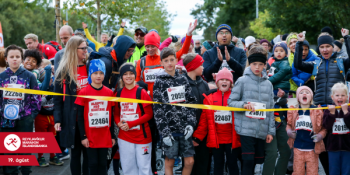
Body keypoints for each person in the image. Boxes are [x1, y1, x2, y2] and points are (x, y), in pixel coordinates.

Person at [228, 46, 275, 175]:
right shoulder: (242, 81)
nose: (257, 67)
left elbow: (271, 109)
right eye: (254, 64)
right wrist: (244, 105)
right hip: (245, 129)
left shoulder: (269, 84)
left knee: (256, 162)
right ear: (250, 64)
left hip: (261, 130)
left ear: (265, 66)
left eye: (260, 64)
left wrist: (270, 131)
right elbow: (230, 102)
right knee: (247, 161)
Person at [153, 47, 196, 175]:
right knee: (170, 161)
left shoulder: (183, 79)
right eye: (166, 61)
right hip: (169, 130)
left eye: (172, 60)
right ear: (162, 63)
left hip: (184, 128)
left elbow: (191, 103)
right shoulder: (159, 82)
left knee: (189, 162)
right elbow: (157, 109)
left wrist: (190, 124)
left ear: (177, 60)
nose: (170, 63)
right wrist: (164, 132)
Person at [0, 45, 41, 175]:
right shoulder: (1, 77)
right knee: (9, 153)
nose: (15, 59)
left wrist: (31, 116)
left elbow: (36, 98)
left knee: (25, 153)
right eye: (11, 57)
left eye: (18, 57)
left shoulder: (30, 76)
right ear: (6, 59)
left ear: (22, 59)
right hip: (6, 121)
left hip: (25, 119)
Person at [193, 67, 241, 175]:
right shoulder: (209, 98)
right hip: (216, 139)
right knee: (217, 165)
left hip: (232, 139)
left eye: (227, 79)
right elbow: (204, 121)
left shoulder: (236, 97)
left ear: (231, 82)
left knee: (232, 164)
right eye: (221, 79)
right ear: (217, 82)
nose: (224, 81)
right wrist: (197, 137)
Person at [53, 36, 89, 175]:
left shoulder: (89, 67)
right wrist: (57, 119)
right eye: (83, 48)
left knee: (88, 155)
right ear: (74, 50)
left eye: (86, 48)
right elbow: (57, 99)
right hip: (72, 118)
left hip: (88, 118)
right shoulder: (63, 72)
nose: (86, 51)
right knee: (75, 155)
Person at [75, 59, 116, 175]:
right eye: (95, 73)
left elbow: (111, 117)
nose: (98, 76)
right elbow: (80, 117)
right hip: (90, 135)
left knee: (103, 164)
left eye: (101, 73)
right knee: (92, 164)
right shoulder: (83, 92)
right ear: (90, 74)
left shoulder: (109, 93)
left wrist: (112, 136)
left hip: (104, 135)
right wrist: (83, 136)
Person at [114, 63, 154, 175]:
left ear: (135, 75)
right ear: (121, 76)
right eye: (125, 74)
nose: (128, 76)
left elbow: (149, 114)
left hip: (142, 137)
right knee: (128, 168)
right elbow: (116, 114)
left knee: (144, 168)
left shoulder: (142, 92)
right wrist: (119, 123)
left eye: (131, 73)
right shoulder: (118, 94)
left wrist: (131, 124)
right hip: (125, 137)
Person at [293, 29, 350, 106]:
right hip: (319, 106)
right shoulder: (316, 64)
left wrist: (346, 37)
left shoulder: (341, 62)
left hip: (337, 105)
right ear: (319, 48)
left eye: (328, 46)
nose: (325, 50)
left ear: (332, 47)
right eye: (322, 47)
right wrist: (299, 43)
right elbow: (298, 65)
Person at [180, 53, 210, 175]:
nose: (203, 67)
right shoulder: (181, 84)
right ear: (193, 66)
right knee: (188, 164)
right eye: (201, 64)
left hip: (203, 131)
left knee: (203, 163)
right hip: (187, 132)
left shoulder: (204, 84)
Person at [286, 86, 326, 175]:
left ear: (311, 97)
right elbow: (288, 125)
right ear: (297, 97)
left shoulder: (317, 111)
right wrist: (289, 132)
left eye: (307, 92)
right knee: (297, 172)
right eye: (301, 92)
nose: (304, 94)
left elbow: (324, 129)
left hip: (312, 149)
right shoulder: (293, 110)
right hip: (297, 148)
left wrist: (320, 136)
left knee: (312, 172)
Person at [323, 83, 350, 175]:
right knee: (333, 171)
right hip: (332, 148)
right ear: (332, 97)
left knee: (346, 171)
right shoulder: (328, 110)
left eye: (342, 95)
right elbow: (326, 126)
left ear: (347, 97)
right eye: (337, 95)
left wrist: (346, 112)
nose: (340, 97)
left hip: (347, 147)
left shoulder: (349, 109)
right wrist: (331, 114)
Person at [135, 31, 162, 98]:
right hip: (146, 98)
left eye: (153, 46)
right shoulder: (141, 62)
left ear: (157, 46)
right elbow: (136, 83)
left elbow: (182, 52)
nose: (150, 49)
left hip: (161, 99)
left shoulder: (164, 60)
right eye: (147, 46)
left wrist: (188, 35)